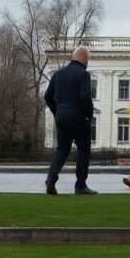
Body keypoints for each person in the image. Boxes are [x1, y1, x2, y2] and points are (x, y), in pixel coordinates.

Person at [44, 46, 97, 195]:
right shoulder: (83, 74)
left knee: (61, 149)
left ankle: (51, 178)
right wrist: (89, 114)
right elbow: (85, 96)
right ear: (84, 59)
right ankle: (80, 186)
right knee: (84, 151)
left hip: (62, 118)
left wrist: (57, 112)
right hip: (79, 117)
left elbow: (48, 97)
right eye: (88, 60)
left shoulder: (58, 75)